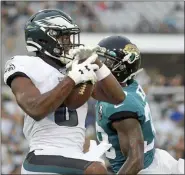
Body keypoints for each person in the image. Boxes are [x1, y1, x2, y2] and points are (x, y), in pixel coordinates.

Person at [3, 9, 125, 174]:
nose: (69, 43)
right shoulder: (24, 64)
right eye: (64, 37)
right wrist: (71, 79)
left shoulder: (74, 68)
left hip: (74, 155)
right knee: (97, 171)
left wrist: (96, 63)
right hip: (44, 154)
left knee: (101, 167)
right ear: (44, 39)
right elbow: (35, 109)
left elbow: (118, 97)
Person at [95, 35, 184, 174]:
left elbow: (135, 161)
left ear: (122, 67)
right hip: (156, 160)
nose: (99, 65)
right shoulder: (129, 85)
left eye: (105, 61)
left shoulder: (119, 105)